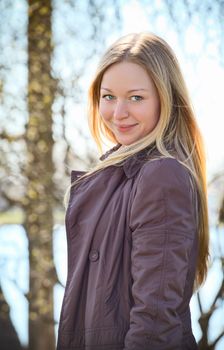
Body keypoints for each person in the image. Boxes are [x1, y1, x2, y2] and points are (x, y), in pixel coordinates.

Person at [57, 32, 209, 350]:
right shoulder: (118, 174)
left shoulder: (162, 176)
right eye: (108, 96)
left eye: (136, 97)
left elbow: (155, 325)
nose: (118, 113)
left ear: (165, 99)